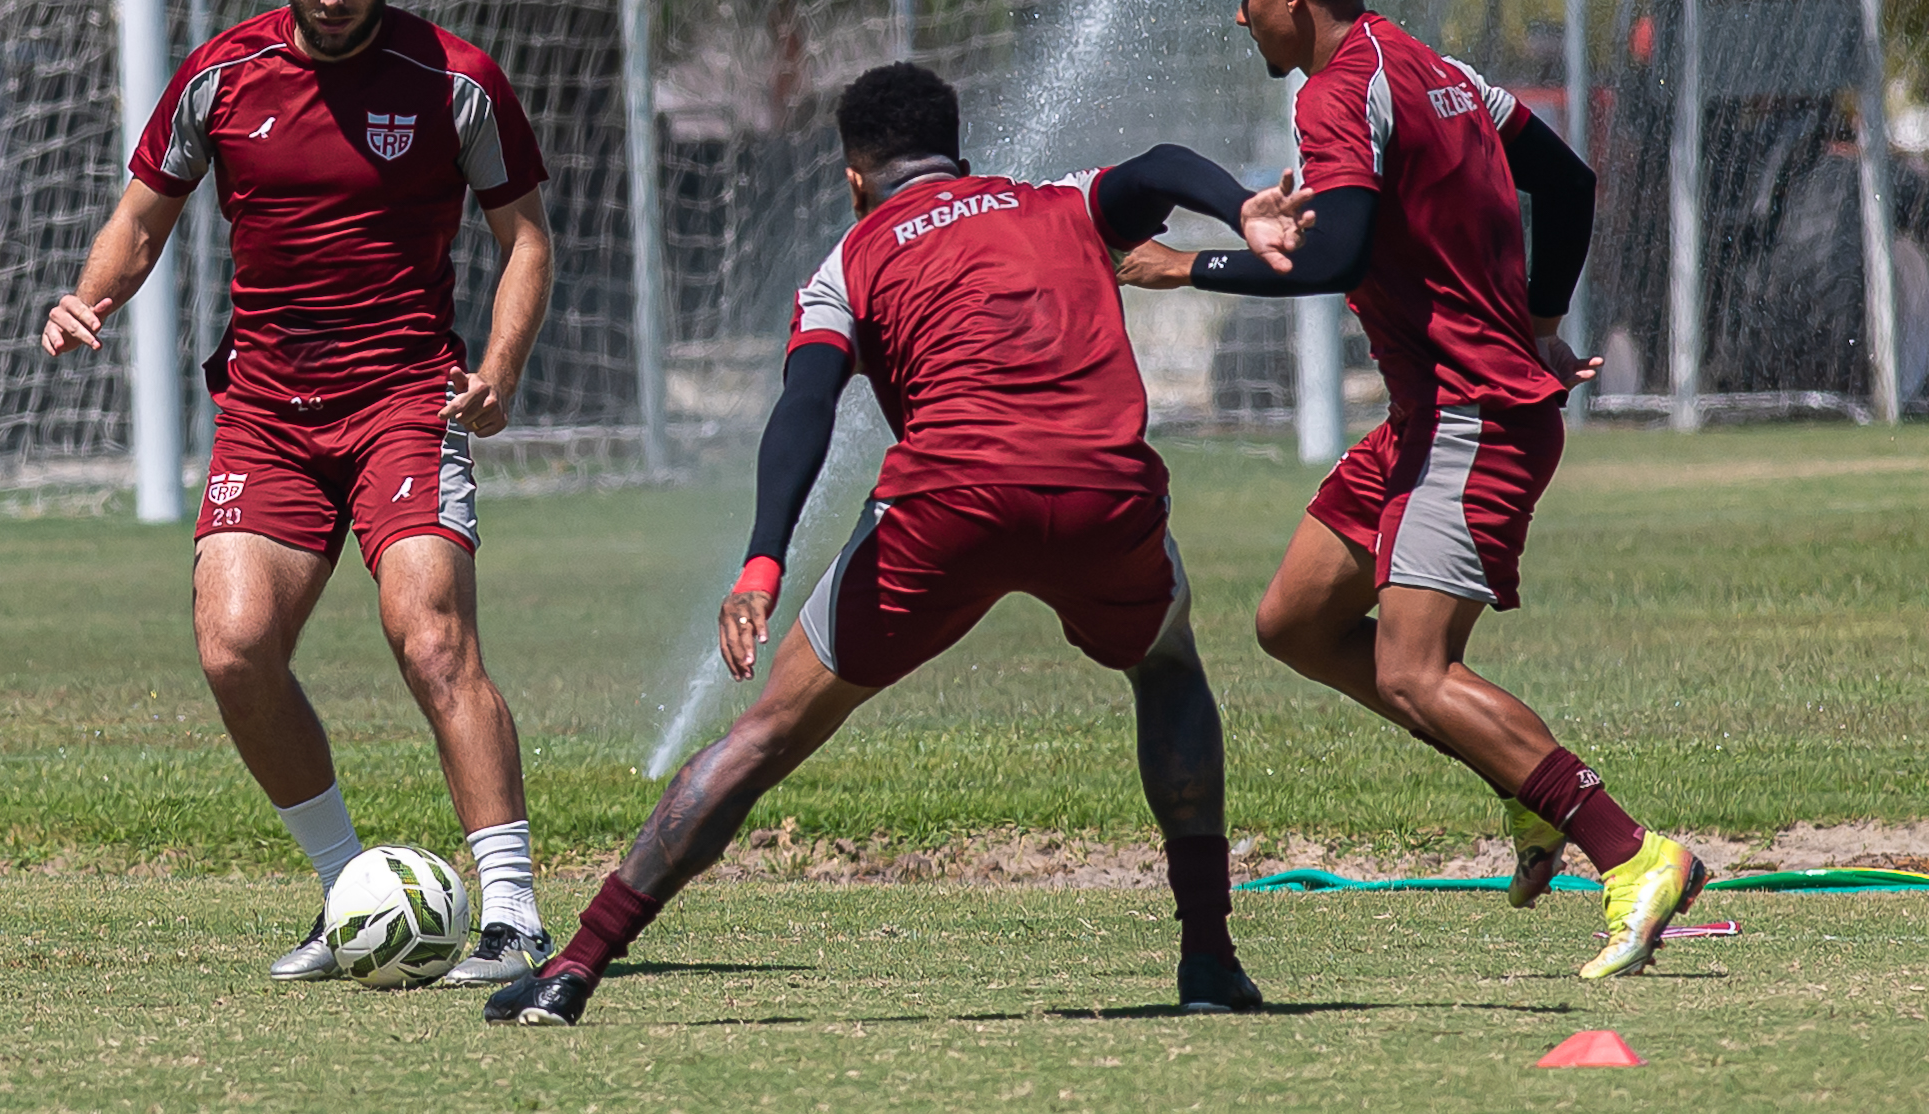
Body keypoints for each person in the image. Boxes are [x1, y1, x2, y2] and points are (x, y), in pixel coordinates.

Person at [484, 62, 1315, 1026]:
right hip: (1101, 491)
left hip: (944, 507)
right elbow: (1163, 163)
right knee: (1166, 665)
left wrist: (762, 562)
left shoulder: (847, 262)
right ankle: (1207, 960)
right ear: (957, 153)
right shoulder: (1061, 200)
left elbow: (803, 408)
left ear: (853, 177)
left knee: (765, 734)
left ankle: (575, 967)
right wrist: (1240, 208)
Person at [1119, 0, 1702, 980]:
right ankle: (1524, 783)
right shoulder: (1436, 67)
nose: (1238, 15)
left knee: (1415, 671)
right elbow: (1565, 180)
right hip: (1428, 419)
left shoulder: (1338, 91)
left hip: (1472, 420)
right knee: (1294, 622)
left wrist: (1182, 266)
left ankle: (1631, 852)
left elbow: (1335, 252)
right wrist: (1538, 319)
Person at [42, 0, 559, 987]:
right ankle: (347, 892)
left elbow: (525, 236)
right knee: (235, 650)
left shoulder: (455, 80)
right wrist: (91, 296)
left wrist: (501, 368)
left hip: (404, 401)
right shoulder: (221, 77)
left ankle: (515, 916)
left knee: (431, 637)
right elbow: (141, 219)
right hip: (268, 413)